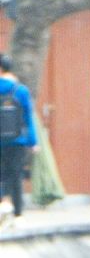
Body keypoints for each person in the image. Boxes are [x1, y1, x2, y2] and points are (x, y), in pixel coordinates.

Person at [0, 53, 39, 217]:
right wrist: (33, 142)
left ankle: (2, 203)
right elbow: (28, 117)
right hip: (18, 140)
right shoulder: (21, 90)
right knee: (16, 174)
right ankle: (17, 212)